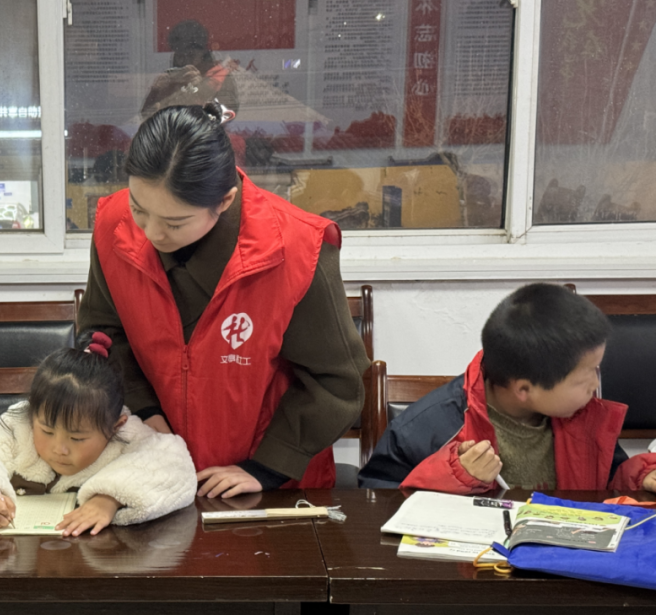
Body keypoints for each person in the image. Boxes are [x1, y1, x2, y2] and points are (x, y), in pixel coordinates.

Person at [78, 103, 369, 499]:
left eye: (175, 222)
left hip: (268, 485)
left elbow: (336, 381)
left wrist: (268, 466)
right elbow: (104, 333)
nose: (151, 233)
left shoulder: (297, 249)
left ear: (225, 201)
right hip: (152, 471)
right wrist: (144, 411)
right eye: (139, 209)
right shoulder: (113, 225)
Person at [359, 283, 656, 493]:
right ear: (524, 389)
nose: (595, 385)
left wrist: (639, 476)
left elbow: (609, 478)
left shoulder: (584, 416)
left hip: (565, 557)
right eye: (584, 378)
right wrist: (453, 476)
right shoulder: (426, 427)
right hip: (477, 561)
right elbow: (377, 500)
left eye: (596, 370)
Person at [0, 332, 197, 537]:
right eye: (47, 431)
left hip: (100, 562)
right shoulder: (18, 430)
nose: (59, 448)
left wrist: (109, 499)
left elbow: (173, 462)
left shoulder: (128, 437)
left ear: (115, 426)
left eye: (77, 438)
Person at [141, 19, 239, 119]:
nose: (186, 62)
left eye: (191, 55)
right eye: (180, 56)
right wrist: (158, 92)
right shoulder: (169, 79)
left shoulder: (219, 76)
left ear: (203, 54)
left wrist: (202, 89)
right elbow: (146, 116)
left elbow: (227, 114)